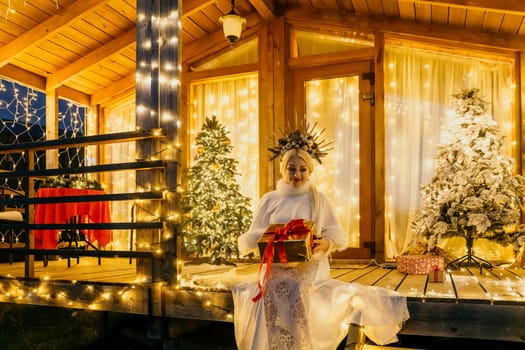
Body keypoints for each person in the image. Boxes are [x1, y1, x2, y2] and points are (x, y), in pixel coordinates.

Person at [233, 128, 409, 350]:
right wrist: (268, 239)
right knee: (271, 287)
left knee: (296, 288)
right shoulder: (270, 200)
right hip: (277, 264)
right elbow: (256, 233)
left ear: (310, 171)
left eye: (302, 169)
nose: (297, 174)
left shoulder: (318, 200)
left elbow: (334, 234)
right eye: (291, 169)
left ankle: (299, 343)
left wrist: (326, 244)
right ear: (283, 170)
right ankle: (272, 343)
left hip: (311, 265)